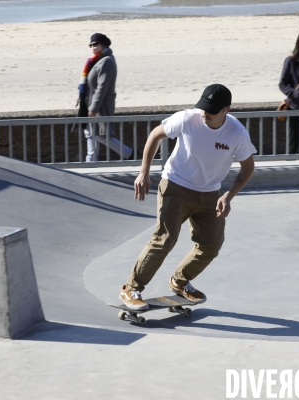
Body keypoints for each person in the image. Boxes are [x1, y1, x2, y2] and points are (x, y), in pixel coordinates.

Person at [119, 84, 257, 310]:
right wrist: (144, 172)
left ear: (226, 110)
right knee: (165, 238)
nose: (205, 114)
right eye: (203, 107)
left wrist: (228, 196)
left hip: (211, 192)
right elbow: (155, 135)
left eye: (211, 110)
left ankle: (180, 281)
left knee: (211, 244)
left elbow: (247, 168)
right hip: (176, 185)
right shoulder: (186, 119)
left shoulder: (237, 133)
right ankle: (131, 288)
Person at [76, 33, 132, 162]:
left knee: (100, 135)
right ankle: (90, 161)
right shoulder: (95, 60)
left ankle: (129, 154)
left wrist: (94, 108)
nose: (92, 47)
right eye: (91, 45)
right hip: (89, 102)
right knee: (90, 132)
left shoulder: (107, 61)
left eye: (95, 44)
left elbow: (102, 86)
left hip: (99, 105)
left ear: (103, 45)